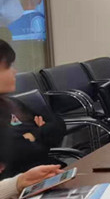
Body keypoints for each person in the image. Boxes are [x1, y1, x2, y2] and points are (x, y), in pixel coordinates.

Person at [0, 40, 66, 179]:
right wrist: (39, 135)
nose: (14, 71)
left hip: (40, 174)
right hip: (19, 183)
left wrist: (34, 135)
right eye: (8, 66)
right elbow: (19, 151)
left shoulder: (11, 104)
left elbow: (58, 124)